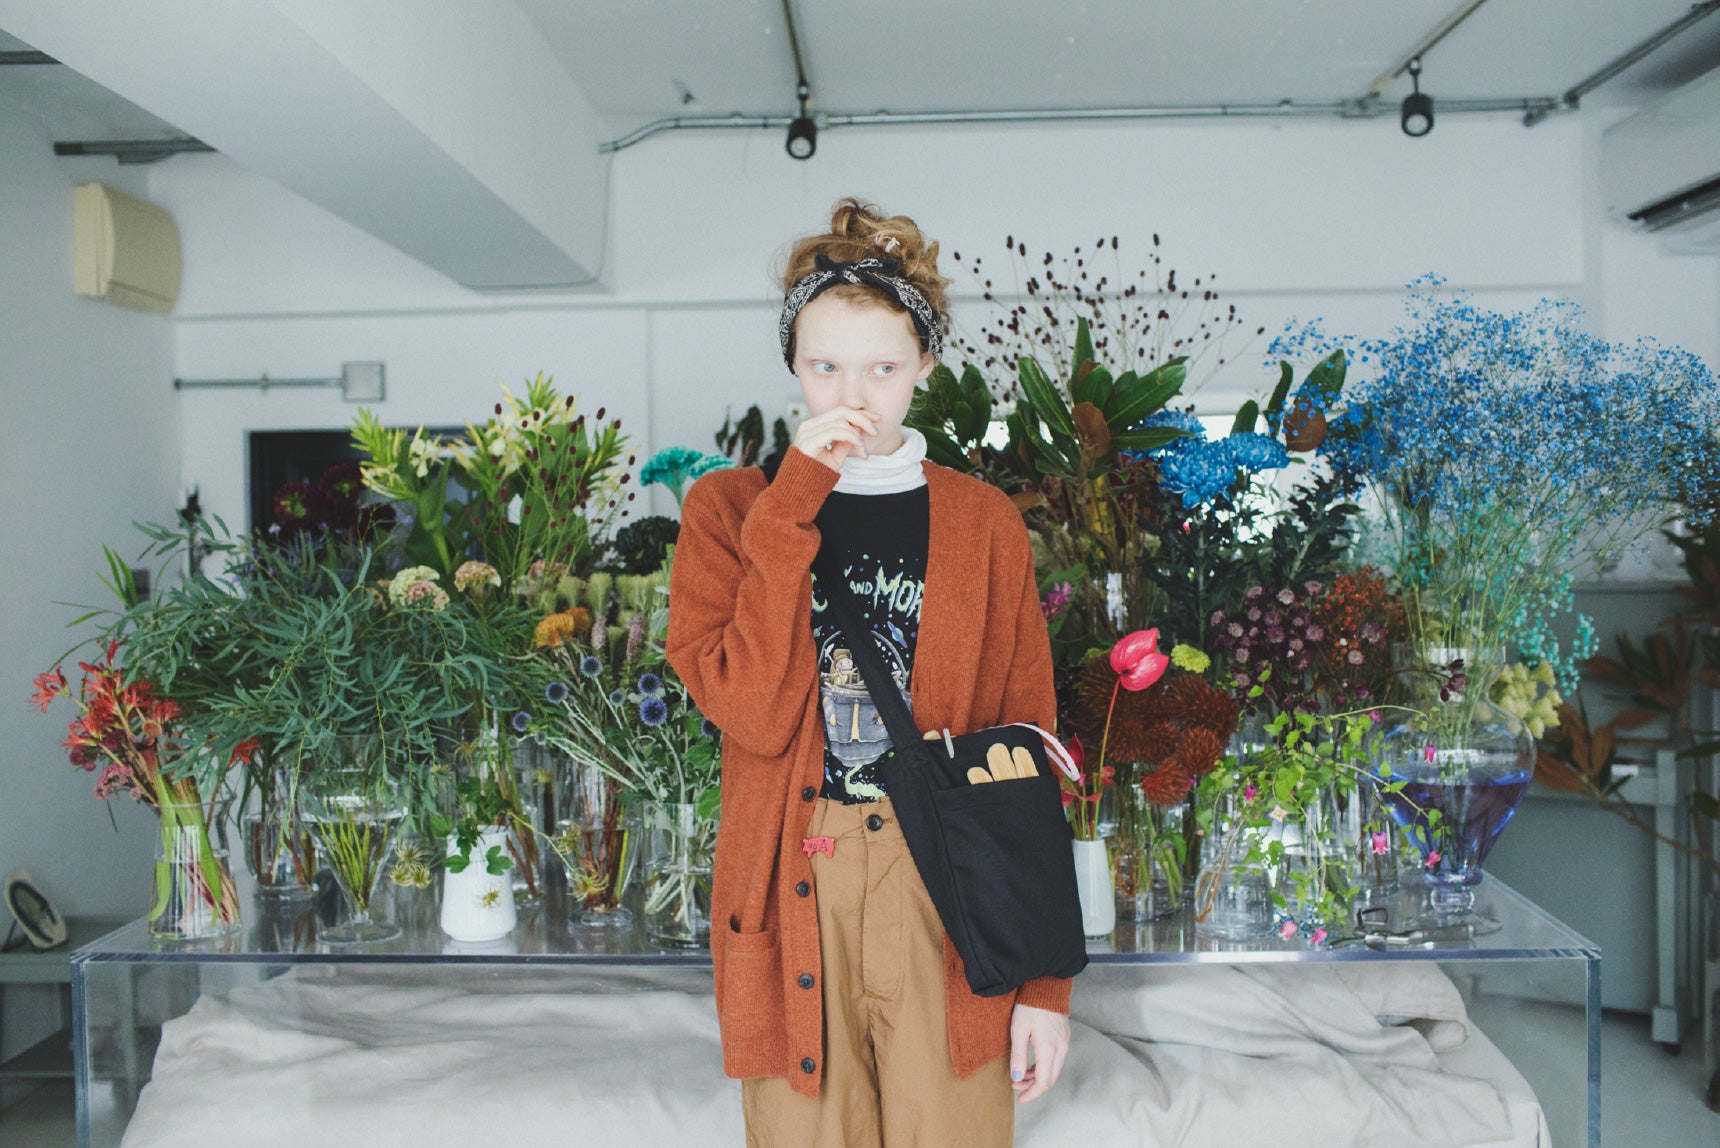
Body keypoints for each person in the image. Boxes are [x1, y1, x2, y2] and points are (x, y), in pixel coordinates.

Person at [666, 197, 1072, 1147]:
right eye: (825, 367)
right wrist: (794, 500)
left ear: (925, 364)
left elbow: (1027, 743)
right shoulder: (730, 511)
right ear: (792, 365)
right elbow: (751, 712)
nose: (854, 395)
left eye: (883, 368)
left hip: (946, 881)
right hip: (791, 875)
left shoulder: (982, 523)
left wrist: (1045, 987)